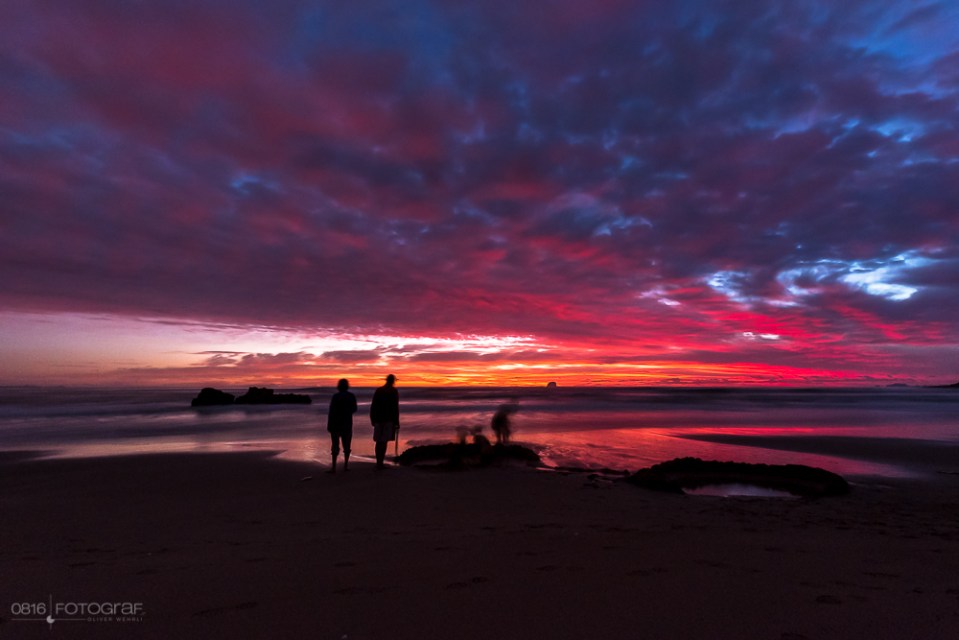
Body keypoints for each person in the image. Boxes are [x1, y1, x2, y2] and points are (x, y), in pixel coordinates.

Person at [369, 374, 400, 469]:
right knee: (384, 441)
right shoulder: (394, 391)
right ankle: (380, 463)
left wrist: (372, 419)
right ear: (393, 381)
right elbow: (395, 408)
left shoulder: (379, 390)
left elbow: (373, 406)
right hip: (388, 419)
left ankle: (378, 462)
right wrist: (397, 421)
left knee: (378, 441)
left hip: (378, 419)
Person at [327, 378, 357, 473]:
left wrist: (329, 425)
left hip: (335, 424)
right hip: (347, 423)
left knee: (335, 445)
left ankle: (334, 468)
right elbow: (354, 409)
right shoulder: (351, 396)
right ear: (347, 386)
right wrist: (347, 412)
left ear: (339, 387)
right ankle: (345, 466)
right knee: (347, 445)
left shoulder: (335, 397)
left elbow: (331, 411)